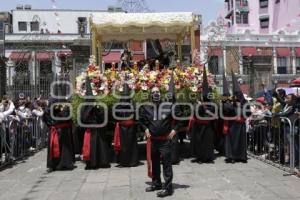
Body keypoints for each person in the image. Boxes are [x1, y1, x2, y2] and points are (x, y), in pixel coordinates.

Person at [139, 82, 183, 198]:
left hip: (165, 141)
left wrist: (174, 130)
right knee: (155, 164)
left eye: (157, 92)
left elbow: (180, 118)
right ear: (150, 95)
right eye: (153, 92)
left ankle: (168, 188)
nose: (155, 94)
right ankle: (156, 184)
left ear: (160, 93)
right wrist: (146, 129)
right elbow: (141, 121)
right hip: (153, 141)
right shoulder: (147, 107)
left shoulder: (168, 106)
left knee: (167, 164)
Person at [43, 76, 75, 171]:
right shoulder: (53, 101)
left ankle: (63, 163)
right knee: (58, 147)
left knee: (64, 147)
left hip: (61, 128)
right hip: (58, 129)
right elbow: (46, 115)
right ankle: (59, 164)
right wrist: (52, 124)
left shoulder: (65, 101)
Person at [81, 74, 110, 169]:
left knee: (101, 146)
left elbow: (102, 116)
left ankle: (102, 162)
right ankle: (91, 163)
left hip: (98, 128)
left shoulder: (98, 103)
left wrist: (97, 108)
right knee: (91, 147)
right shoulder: (84, 106)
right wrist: (90, 108)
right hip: (90, 130)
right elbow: (83, 119)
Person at [189, 66, 215, 163]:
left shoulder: (212, 105)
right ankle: (200, 158)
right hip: (199, 127)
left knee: (208, 143)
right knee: (200, 142)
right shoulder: (199, 104)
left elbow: (213, 115)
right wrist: (199, 106)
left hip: (208, 127)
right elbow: (196, 114)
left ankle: (208, 157)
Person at [224, 71, 251, 163]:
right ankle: (232, 157)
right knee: (232, 142)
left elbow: (248, 113)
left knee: (241, 141)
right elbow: (227, 111)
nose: (236, 97)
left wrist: (241, 107)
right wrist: (230, 104)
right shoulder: (232, 103)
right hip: (233, 125)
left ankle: (242, 157)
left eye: (238, 95)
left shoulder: (245, 103)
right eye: (235, 95)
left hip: (241, 125)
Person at [114, 82, 139, 167]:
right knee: (123, 145)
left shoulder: (132, 104)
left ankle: (131, 161)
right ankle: (125, 161)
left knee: (130, 144)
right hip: (122, 127)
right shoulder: (119, 105)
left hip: (130, 127)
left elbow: (136, 116)